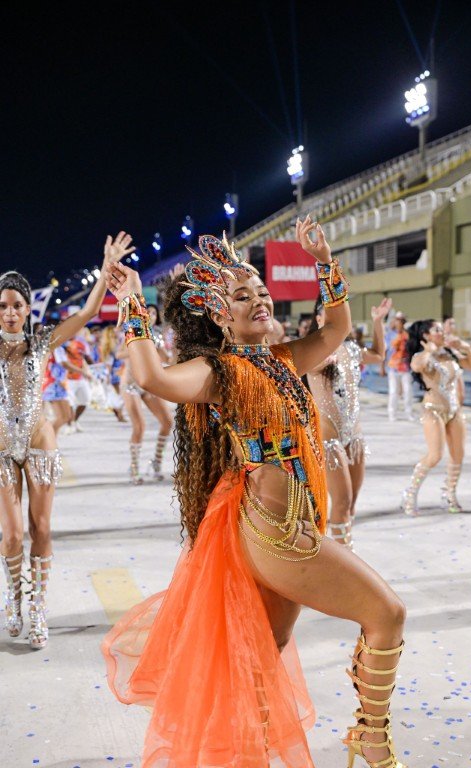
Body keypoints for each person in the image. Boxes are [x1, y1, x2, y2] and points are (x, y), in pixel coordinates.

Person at [102, 220, 408, 768]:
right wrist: (131, 307)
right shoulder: (219, 371)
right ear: (221, 315)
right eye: (242, 296)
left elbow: (336, 329)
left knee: (265, 652)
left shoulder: (286, 358)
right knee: (387, 613)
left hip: (293, 525)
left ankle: (252, 752)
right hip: (279, 534)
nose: (260, 300)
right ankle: (372, 735)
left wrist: (324, 258)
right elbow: (153, 376)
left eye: (262, 291)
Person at [0, 231, 136, 649]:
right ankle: (15, 598)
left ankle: (39, 606)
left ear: (27, 309)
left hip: (41, 442)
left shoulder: (41, 341)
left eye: (16, 305)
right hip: (3, 449)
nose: (9, 313)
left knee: (41, 527)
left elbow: (91, 310)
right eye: (2, 306)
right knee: (12, 534)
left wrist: (108, 263)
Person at [305, 297, 390, 550]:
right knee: (341, 502)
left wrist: (377, 322)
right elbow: (310, 363)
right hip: (327, 438)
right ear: (319, 320)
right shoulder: (313, 349)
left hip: (354, 437)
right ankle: (346, 560)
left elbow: (378, 355)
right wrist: (325, 354)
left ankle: (345, 550)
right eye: (328, 316)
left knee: (351, 503)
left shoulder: (352, 349)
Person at [400, 319, 471, 516]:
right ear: (426, 335)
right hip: (432, 410)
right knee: (435, 455)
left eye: (442, 329)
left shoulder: (450, 353)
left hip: (454, 410)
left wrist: (464, 346)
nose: (442, 332)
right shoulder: (422, 355)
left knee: (458, 455)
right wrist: (429, 350)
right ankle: (410, 493)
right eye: (437, 330)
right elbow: (417, 366)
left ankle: (449, 494)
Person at [119, 303, 174, 483]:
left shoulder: (157, 335)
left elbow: (167, 359)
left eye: (153, 312)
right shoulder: (132, 330)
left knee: (167, 422)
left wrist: (175, 349)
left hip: (149, 384)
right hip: (130, 384)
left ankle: (156, 463)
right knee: (139, 427)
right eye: (147, 312)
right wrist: (137, 347)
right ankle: (134, 468)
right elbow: (119, 354)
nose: (150, 314)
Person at [63, 331, 93, 432]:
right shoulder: (61, 345)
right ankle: (69, 424)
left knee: (85, 400)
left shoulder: (81, 344)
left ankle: (75, 421)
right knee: (70, 403)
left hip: (80, 377)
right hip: (66, 378)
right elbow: (63, 363)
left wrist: (88, 370)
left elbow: (84, 359)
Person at [387, 312, 414, 422]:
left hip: (405, 366)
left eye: (401, 320)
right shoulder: (391, 334)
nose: (399, 323)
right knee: (394, 391)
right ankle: (392, 413)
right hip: (393, 367)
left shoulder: (407, 335)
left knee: (408, 390)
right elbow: (388, 349)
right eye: (397, 320)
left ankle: (408, 413)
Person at [41, 345, 74, 435]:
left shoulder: (55, 348)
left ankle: (49, 442)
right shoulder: (57, 348)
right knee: (63, 417)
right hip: (54, 385)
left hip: (54, 383)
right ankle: (46, 440)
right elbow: (63, 364)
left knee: (65, 417)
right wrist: (82, 372)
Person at [443, 315, 466, 405]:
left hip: (457, 368)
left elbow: (465, 348)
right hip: (446, 370)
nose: (452, 326)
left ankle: (457, 414)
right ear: (444, 324)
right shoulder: (440, 338)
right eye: (450, 323)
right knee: (449, 395)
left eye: (453, 324)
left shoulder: (455, 339)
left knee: (461, 394)